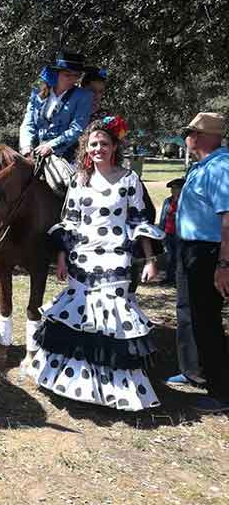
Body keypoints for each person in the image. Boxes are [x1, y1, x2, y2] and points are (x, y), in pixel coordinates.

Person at [28, 117, 164, 411]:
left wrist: (150, 259)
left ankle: (116, 389)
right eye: (93, 144)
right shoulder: (79, 179)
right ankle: (77, 382)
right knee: (81, 320)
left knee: (112, 323)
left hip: (116, 259)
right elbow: (71, 221)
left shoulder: (129, 180)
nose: (98, 148)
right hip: (81, 259)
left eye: (104, 143)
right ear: (85, 149)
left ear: (115, 146)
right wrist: (62, 257)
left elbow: (139, 222)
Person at [166, 112, 229, 413]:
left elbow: (228, 219)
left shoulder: (220, 167)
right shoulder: (201, 166)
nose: (187, 138)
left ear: (206, 136)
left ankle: (220, 391)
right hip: (189, 247)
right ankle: (194, 371)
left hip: (208, 251)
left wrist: (224, 264)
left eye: (191, 133)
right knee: (187, 311)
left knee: (207, 319)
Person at [19, 51, 94, 163]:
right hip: (34, 151)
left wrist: (51, 146)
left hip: (64, 155)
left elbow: (77, 129)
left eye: (76, 76)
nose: (72, 80)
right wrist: (26, 145)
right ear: (56, 73)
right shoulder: (37, 93)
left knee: (64, 180)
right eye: (67, 75)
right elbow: (28, 122)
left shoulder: (84, 96)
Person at [158, 177, 184, 285]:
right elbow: (163, 217)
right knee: (169, 256)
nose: (173, 190)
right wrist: (160, 233)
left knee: (179, 257)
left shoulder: (185, 202)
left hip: (180, 234)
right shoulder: (167, 201)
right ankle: (169, 278)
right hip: (168, 233)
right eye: (172, 188)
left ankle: (178, 280)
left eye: (176, 188)